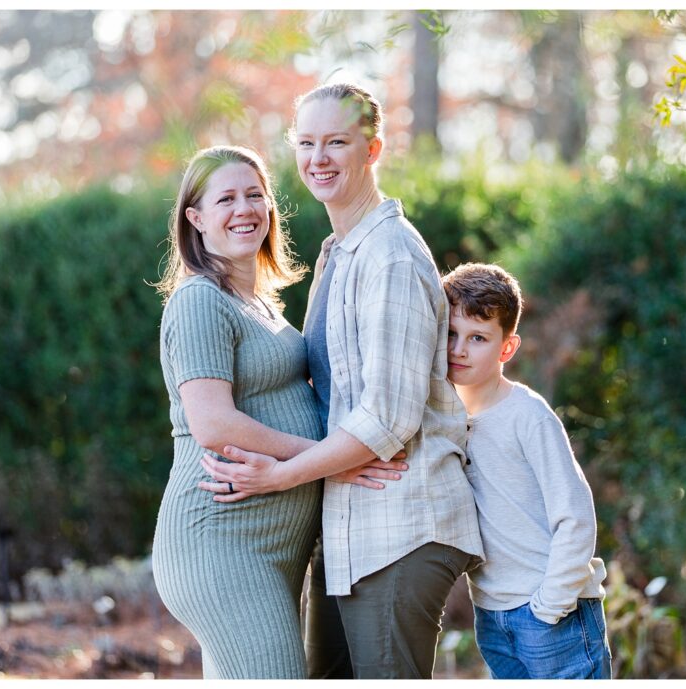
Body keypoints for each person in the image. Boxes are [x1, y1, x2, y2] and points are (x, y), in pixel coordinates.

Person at [199, 84, 485, 679]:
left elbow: (387, 418)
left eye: (337, 142)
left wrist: (279, 475)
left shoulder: (391, 257)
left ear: (372, 149)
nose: (318, 158)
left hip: (402, 522)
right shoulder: (340, 252)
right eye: (306, 143)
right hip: (351, 525)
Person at [150, 145, 404, 679]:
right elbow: (213, 425)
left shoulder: (259, 302)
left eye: (254, 195)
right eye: (225, 199)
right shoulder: (200, 300)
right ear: (195, 219)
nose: (244, 209)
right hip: (221, 541)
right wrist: (332, 458)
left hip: (270, 548)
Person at [441, 262, 612, 680]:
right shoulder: (445, 419)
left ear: (507, 348)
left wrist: (550, 605)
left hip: (553, 616)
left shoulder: (527, 415)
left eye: (477, 338)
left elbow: (575, 514)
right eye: (450, 333)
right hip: (493, 617)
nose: (458, 349)